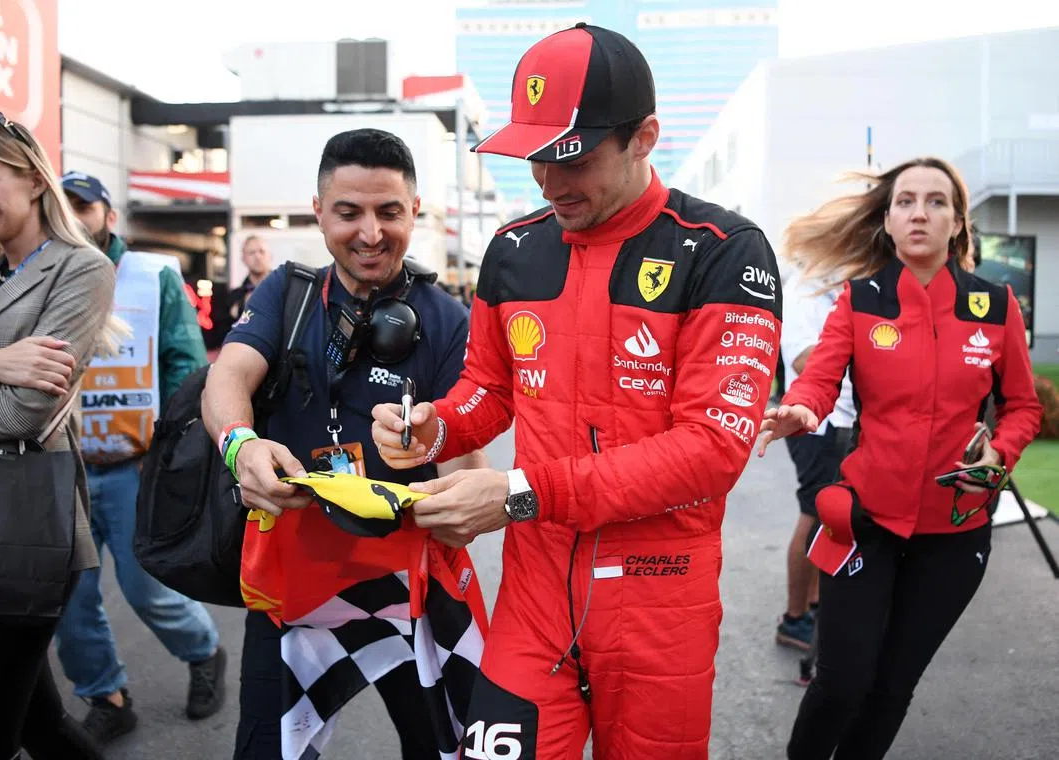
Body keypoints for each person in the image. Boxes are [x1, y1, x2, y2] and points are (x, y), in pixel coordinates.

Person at [372, 24, 783, 759]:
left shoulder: (725, 251)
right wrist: (432, 430)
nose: (551, 181)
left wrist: (519, 493)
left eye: (574, 156)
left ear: (645, 137)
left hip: (661, 605)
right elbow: (489, 390)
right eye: (536, 155)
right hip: (535, 601)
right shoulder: (514, 249)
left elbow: (713, 450)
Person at [201, 128, 487, 759]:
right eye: (348, 212)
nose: (369, 232)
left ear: (415, 211)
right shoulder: (287, 292)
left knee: (445, 746)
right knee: (266, 751)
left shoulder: (445, 317)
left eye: (389, 212)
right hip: (292, 575)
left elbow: (469, 438)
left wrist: (466, 502)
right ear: (318, 212)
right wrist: (240, 446)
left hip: (407, 578)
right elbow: (228, 376)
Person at [757, 157, 1042, 760]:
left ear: (957, 223)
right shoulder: (859, 301)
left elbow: (1022, 408)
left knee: (892, 688)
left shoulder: (996, 306)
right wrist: (800, 408)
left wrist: (1000, 452)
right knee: (842, 681)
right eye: (906, 201)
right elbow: (821, 378)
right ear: (887, 221)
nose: (920, 212)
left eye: (936, 202)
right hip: (865, 522)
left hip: (956, 535)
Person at [0, 112, 118, 759]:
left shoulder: (79, 271)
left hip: (24, 524)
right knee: (39, 726)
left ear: (34, 179)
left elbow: (21, 417)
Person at [55, 171, 225, 743]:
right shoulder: (43, 276)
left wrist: (173, 448)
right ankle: (107, 694)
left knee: (146, 587)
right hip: (65, 469)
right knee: (69, 600)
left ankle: (204, 653)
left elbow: (183, 363)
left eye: (85, 205)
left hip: (133, 466)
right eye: (65, 205)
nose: (75, 215)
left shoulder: (152, 276)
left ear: (109, 214)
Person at [775, 266, 857, 652]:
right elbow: (804, 361)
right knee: (817, 513)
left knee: (835, 515)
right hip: (815, 423)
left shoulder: (847, 281)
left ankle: (813, 606)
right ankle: (795, 619)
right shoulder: (806, 286)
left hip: (845, 420)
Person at [229, 234, 272, 322]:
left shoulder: (284, 289)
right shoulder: (234, 297)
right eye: (251, 253)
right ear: (243, 259)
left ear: (270, 256)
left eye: (262, 251)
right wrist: (242, 305)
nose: (257, 257)